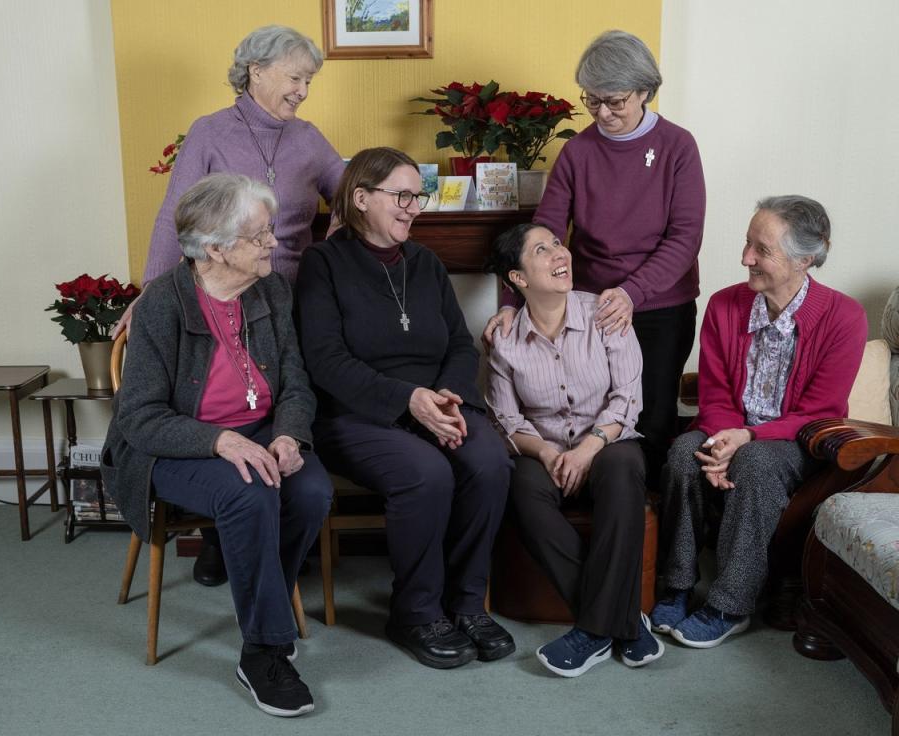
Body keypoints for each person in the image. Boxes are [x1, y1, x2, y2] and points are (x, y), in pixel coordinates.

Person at [115, 25, 345, 586]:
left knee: (282, 402)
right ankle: (226, 533)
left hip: (289, 300)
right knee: (217, 401)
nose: (303, 91)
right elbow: (177, 220)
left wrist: (333, 250)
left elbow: (353, 194)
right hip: (223, 291)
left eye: (309, 80)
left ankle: (275, 536)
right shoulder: (210, 132)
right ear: (257, 71)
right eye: (296, 78)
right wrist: (150, 297)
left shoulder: (310, 138)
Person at [101, 174, 332, 717]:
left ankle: (263, 603)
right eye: (258, 236)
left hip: (259, 431)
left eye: (269, 231)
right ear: (214, 249)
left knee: (312, 490)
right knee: (248, 495)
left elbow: (296, 382)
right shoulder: (162, 305)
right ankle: (264, 652)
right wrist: (220, 440)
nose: (273, 244)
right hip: (173, 446)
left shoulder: (271, 290)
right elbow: (139, 418)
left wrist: (289, 434)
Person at [294, 147, 515, 669]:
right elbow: (324, 361)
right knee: (425, 472)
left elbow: (460, 345)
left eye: (419, 196)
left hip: (436, 402)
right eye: (402, 196)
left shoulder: (426, 262)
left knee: (489, 462)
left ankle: (465, 606)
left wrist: (450, 396)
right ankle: (415, 611)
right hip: (355, 413)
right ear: (362, 198)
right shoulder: (322, 263)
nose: (414, 206)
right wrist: (407, 400)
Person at [482, 29, 705, 489]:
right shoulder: (577, 152)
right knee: (592, 421)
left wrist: (631, 292)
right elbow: (540, 233)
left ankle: (654, 542)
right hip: (588, 307)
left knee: (655, 418)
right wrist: (511, 302)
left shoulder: (677, 146)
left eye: (615, 101)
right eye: (592, 100)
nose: (603, 113)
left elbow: (685, 238)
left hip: (661, 305)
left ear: (645, 90)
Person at [651, 195, 867, 648]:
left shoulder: (844, 316)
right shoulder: (724, 305)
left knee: (755, 463)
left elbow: (821, 409)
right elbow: (713, 392)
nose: (745, 258)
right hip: (726, 426)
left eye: (761, 249)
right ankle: (676, 585)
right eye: (748, 244)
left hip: (795, 441)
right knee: (680, 456)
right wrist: (723, 434)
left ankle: (731, 605)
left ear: (805, 258)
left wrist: (747, 437)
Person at [484, 223, 663, 678]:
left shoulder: (605, 314)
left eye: (557, 244)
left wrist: (587, 449)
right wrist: (545, 453)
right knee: (518, 484)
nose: (558, 254)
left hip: (606, 444)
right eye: (541, 250)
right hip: (544, 453)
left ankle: (592, 629)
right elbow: (507, 420)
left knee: (625, 469)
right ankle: (621, 622)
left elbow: (628, 399)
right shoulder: (503, 341)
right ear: (518, 279)